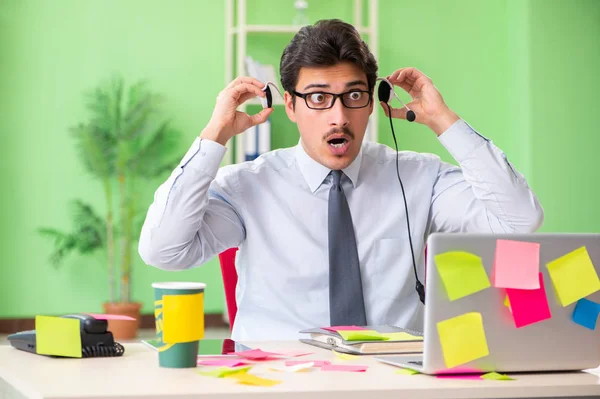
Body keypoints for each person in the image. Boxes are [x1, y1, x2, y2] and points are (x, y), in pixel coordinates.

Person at [139, 19, 543, 341]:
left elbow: (519, 221)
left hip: (393, 379)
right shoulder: (247, 186)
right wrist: (215, 135)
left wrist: (444, 121)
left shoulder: (418, 176)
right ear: (291, 105)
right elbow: (164, 251)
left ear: (373, 101)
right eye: (318, 97)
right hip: (280, 381)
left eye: (353, 96)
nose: (338, 117)